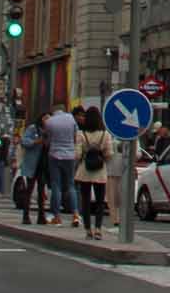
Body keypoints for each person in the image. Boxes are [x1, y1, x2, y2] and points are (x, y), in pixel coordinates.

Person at [76, 107, 116, 238]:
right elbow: (110, 154)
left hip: (84, 170)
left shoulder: (81, 134)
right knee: (100, 201)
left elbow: (77, 155)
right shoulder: (105, 134)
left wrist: (83, 156)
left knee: (86, 201)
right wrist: (102, 157)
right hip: (100, 170)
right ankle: (98, 228)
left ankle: (88, 229)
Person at [44, 100, 81, 228]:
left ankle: (57, 216)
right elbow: (76, 137)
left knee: (56, 185)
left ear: (54, 110)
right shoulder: (71, 119)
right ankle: (75, 214)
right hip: (70, 155)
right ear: (64, 109)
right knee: (71, 185)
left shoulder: (50, 121)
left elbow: (48, 141)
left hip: (54, 155)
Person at [16, 116, 49, 227]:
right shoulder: (33, 128)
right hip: (32, 164)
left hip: (43, 164)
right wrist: (36, 141)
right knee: (29, 190)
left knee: (41, 191)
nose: (47, 120)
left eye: (49, 118)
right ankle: (26, 216)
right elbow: (24, 141)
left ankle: (41, 216)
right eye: (45, 118)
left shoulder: (50, 131)